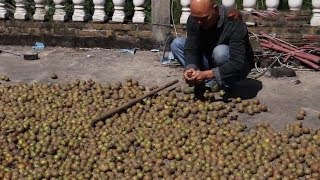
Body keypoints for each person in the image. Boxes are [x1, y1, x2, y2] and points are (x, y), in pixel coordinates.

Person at [170, 0, 254, 92]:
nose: (199, 22)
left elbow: (237, 63)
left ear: (215, 9)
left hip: (236, 66)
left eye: (204, 18)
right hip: (210, 61)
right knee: (177, 44)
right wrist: (191, 68)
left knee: (220, 52)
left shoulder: (233, 19)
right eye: (196, 18)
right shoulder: (195, 19)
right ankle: (205, 79)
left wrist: (206, 74)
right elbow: (191, 49)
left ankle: (221, 81)